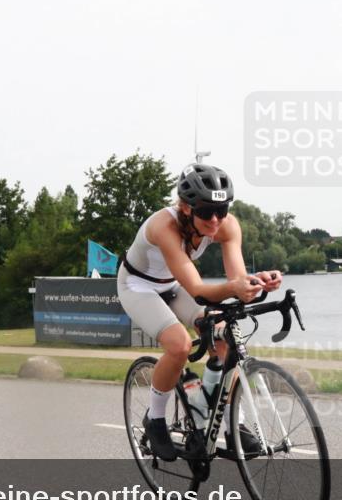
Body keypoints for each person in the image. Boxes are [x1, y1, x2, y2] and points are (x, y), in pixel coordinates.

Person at [117, 163, 282, 461]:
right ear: (185, 207)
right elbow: (197, 289)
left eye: (222, 209)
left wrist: (256, 283)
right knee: (179, 345)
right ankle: (155, 419)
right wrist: (235, 287)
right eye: (206, 211)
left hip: (172, 284)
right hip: (137, 286)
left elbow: (236, 279)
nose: (215, 219)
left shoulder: (227, 226)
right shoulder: (164, 227)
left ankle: (233, 423)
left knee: (225, 339)